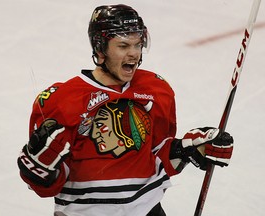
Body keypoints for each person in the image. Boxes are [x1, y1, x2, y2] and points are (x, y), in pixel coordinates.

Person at [17, 4, 234, 216]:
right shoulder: (61, 100)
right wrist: (40, 173)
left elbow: (157, 155)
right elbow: (47, 185)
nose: (134, 54)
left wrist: (190, 148)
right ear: (100, 49)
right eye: (123, 46)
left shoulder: (155, 89)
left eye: (138, 45)